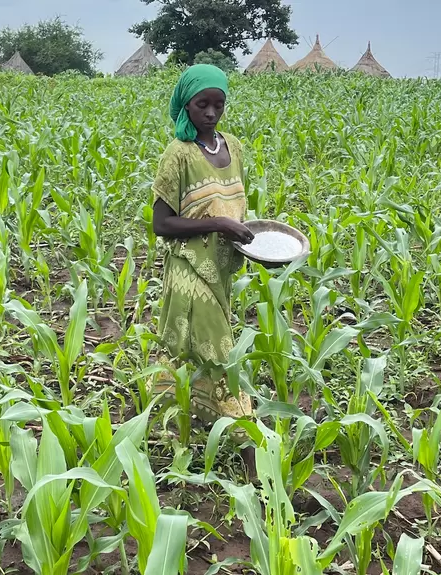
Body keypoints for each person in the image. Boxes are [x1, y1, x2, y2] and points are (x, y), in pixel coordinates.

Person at [151, 64, 256, 458]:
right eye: (202, 104)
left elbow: (238, 210)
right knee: (220, 352)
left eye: (218, 104)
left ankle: (176, 426)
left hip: (222, 270)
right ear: (185, 105)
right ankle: (248, 443)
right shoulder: (177, 155)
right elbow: (161, 224)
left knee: (188, 349)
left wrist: (247, 242)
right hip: (190, 271)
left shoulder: (233, 146)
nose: (210, 113)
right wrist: (215, 223)